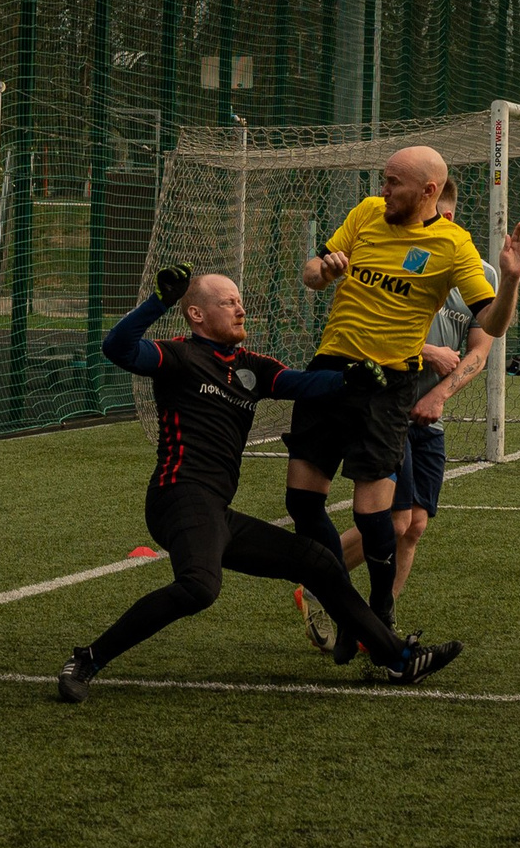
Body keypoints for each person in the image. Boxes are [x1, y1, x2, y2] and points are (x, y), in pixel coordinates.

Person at [56, 265, 461, 703]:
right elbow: (117, 347)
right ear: (195, 314)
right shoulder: (177, 357)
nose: (240, 309)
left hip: (217, 511)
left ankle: (399, 659)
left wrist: (349, 379)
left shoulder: (252, 367)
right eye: (228, 303)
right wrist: (159, 300)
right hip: (179, 496)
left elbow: (302, 383)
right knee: (200, 587)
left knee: (321, 563)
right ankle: (88, 659)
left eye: (239, 301)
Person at [290, 145, 520, 653]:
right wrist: (325, 270)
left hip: (386, 387)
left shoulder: (453, 244)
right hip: (330, 370)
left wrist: (510, 279)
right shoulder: (365, 215)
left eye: (394, 183)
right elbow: (312, 275)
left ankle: (376, 613)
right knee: (300, 503)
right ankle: (349, 608)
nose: (384, 190)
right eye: (383, 179)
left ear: (428, 191)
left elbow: (489, 324)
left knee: (377, 519)